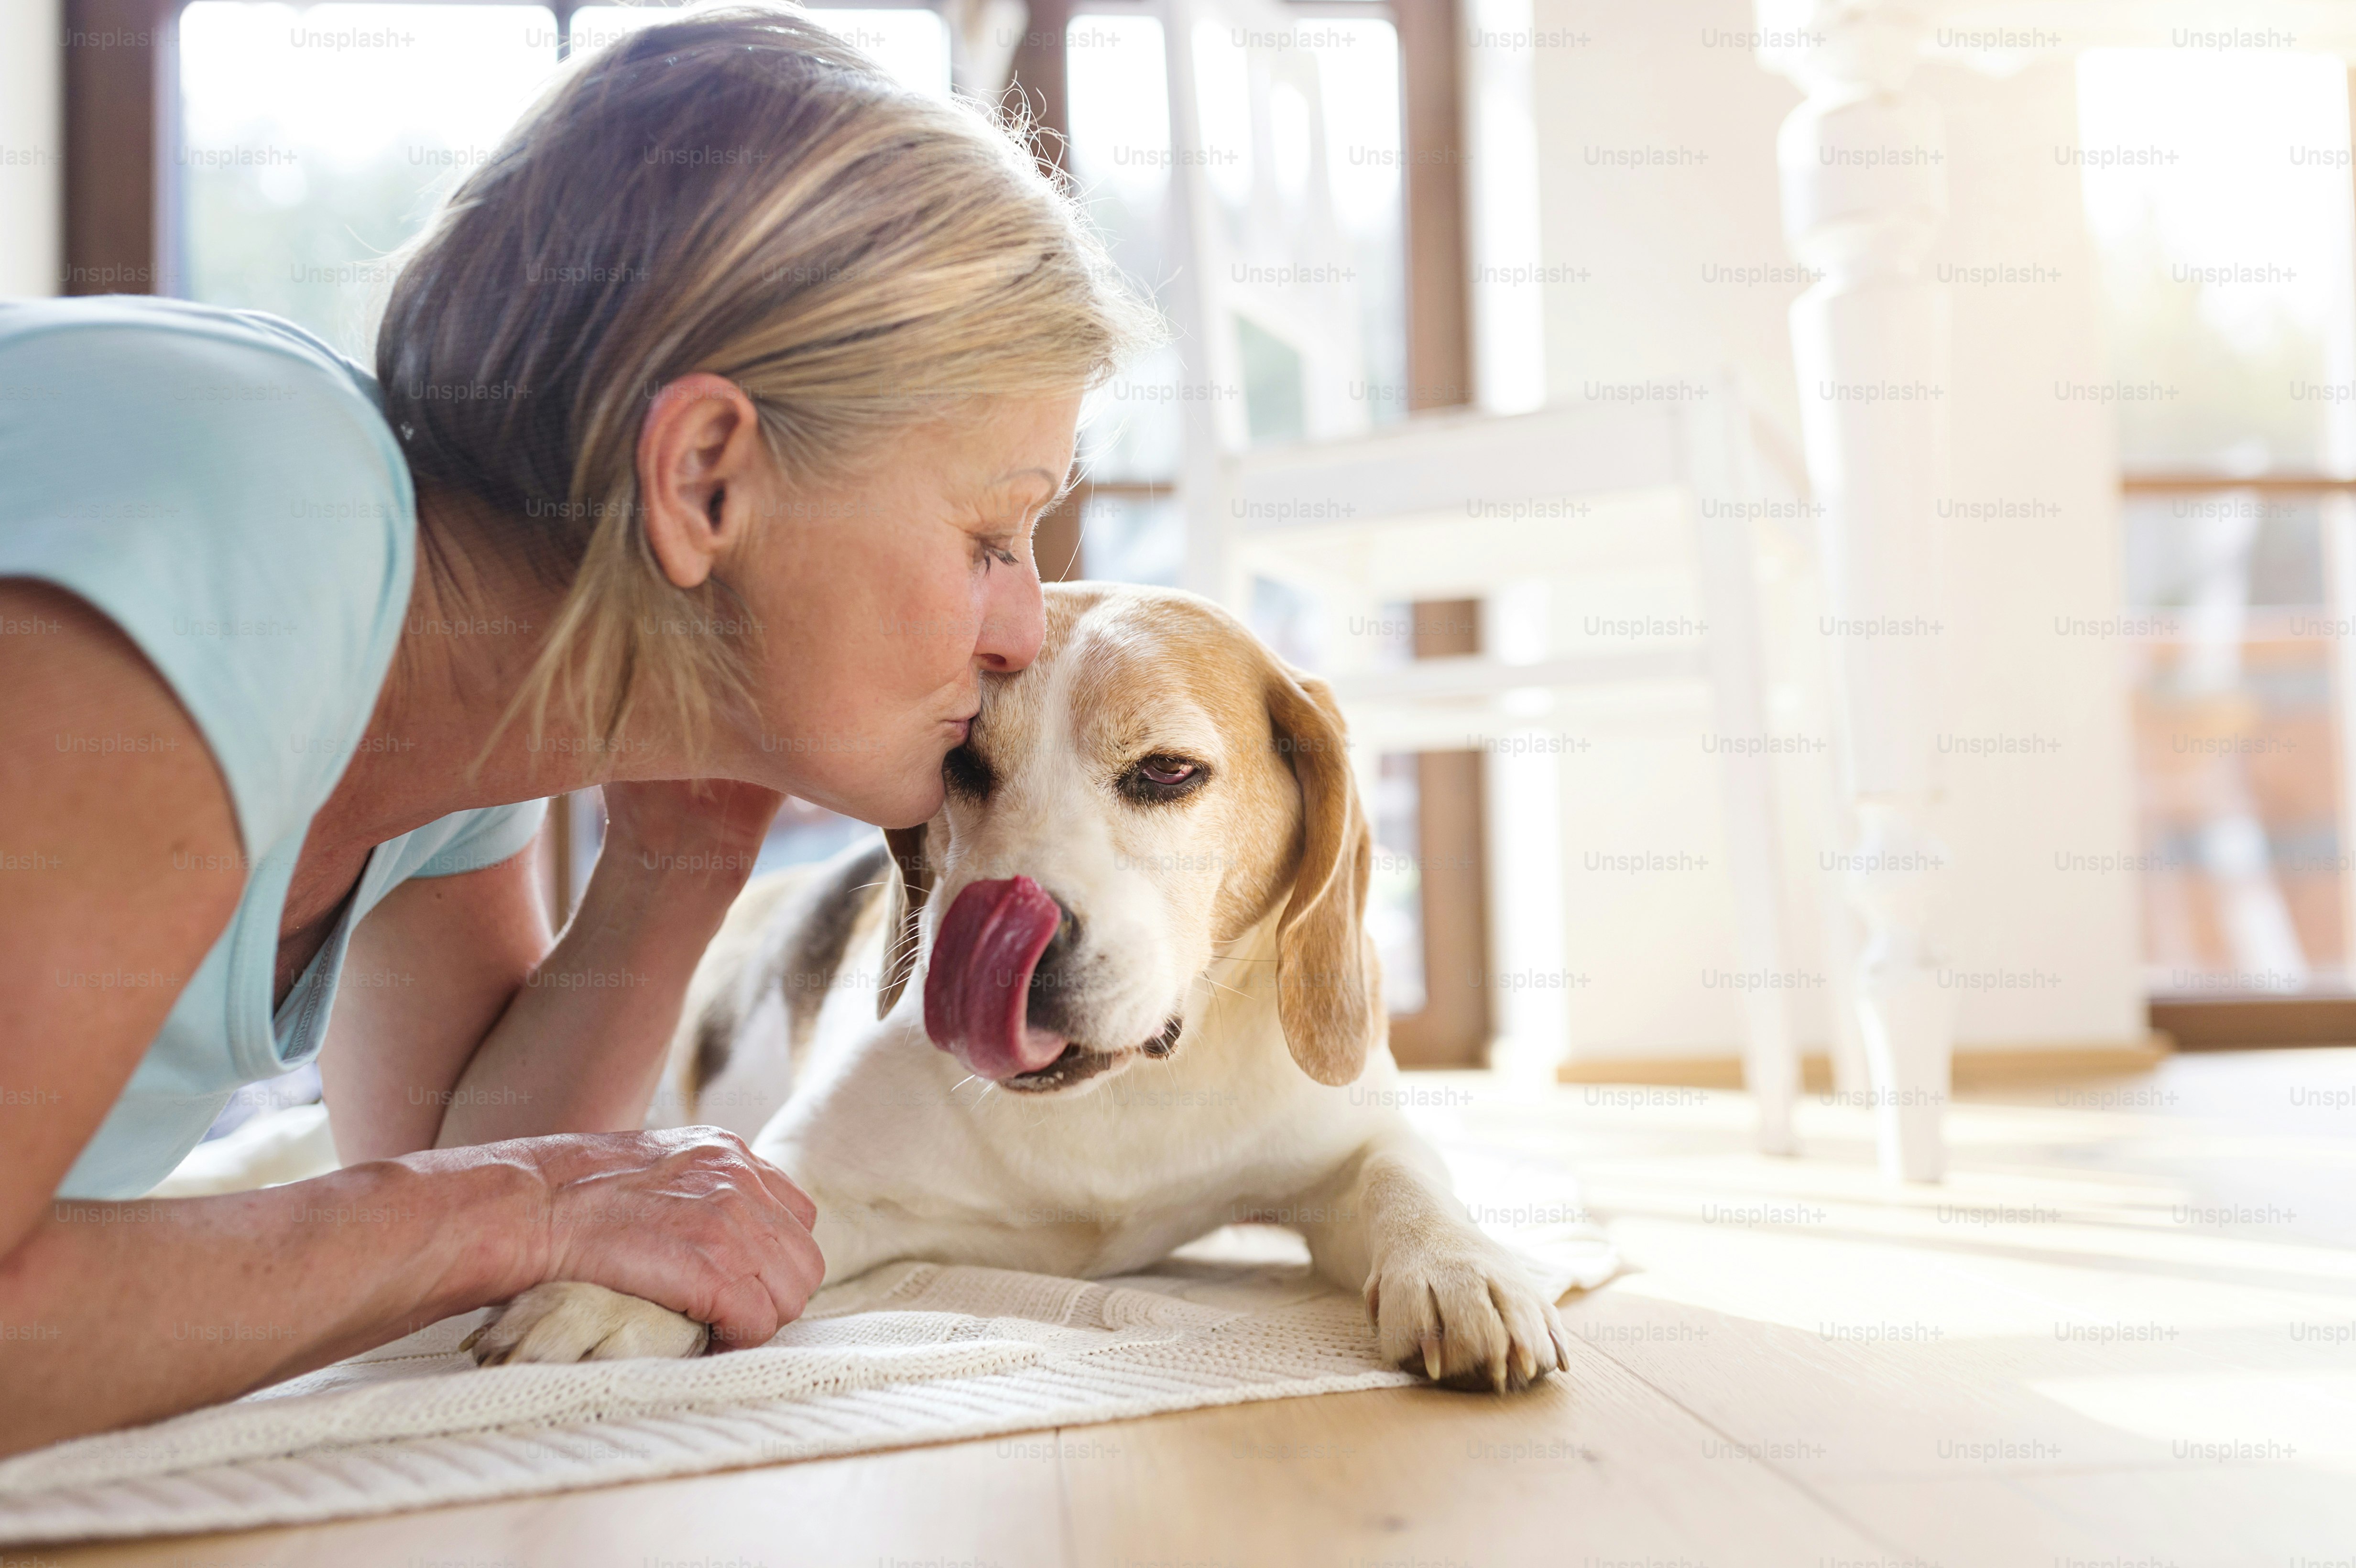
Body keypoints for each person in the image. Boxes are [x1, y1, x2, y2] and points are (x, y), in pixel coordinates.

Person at [0, 4, 1156, 1455]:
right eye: (993, 531)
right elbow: (483, 1204)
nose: (1023, 628)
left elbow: (429, 1197)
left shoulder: (451, 682)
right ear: (706, 479)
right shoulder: (252, 527)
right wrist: (525, 1203)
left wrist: (677, 857)